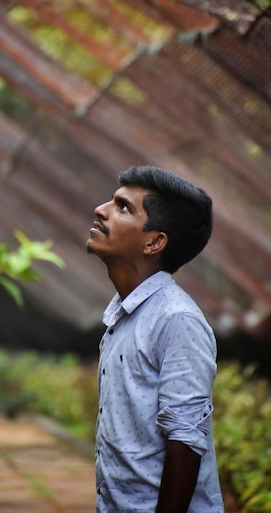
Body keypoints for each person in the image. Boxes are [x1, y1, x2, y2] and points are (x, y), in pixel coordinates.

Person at [86, 165, 224, 513]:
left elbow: (185, 441)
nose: (101, 210)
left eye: (123, 207)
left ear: (154, 241)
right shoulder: (124, 314)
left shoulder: (176, 319)